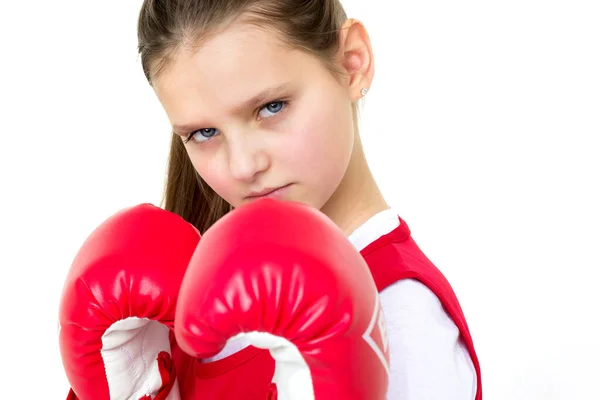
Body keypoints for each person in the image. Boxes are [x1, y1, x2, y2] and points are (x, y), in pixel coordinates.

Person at [60, 0, 482, 399]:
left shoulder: (401, 319)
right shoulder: (169, 311)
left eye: (271, 107)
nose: (243, 166)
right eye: (204, 133)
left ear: (352, 63)